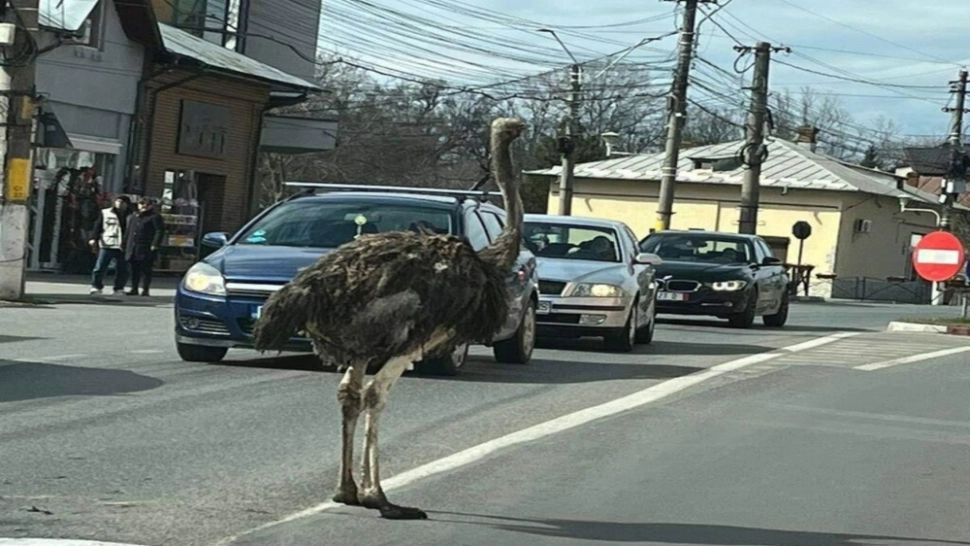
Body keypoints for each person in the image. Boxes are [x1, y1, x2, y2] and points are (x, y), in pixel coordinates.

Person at [88, 195, 131, 295]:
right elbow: (97, 226)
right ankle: (96, 286)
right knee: (100, 267)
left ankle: (119, 288)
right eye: (117, 201)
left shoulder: (132, 215)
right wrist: (93, 238)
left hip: (123, 245)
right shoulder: (106, 213)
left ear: (127, 204)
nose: (119, 203)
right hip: (108, 243)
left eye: (122, 202)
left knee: (123, 269)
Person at [125, 198, 165, 296]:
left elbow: (159, 231)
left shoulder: (154, 217)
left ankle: (145, 289)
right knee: (134, 269)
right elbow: (128, 231)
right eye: (141, 204)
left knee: (146, 269)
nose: (144, 206)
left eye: (147, 204)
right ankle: (134, 288)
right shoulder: (133, 216)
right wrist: (124, 243)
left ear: (151, 206)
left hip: (146, 246)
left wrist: (155, 244)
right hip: (133, 246)